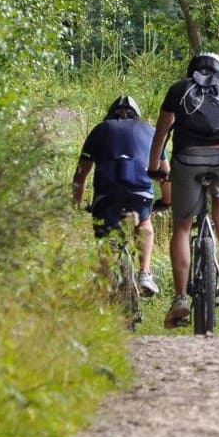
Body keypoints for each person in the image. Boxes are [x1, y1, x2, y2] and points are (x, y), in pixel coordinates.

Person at [148, 51, 219, 328]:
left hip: (187, 159)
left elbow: (161, 133)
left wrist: (154, 166)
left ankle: (181, 297)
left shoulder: (179, 89)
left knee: (183, 225)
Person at [72, 95, 160, 298]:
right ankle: (145, 273)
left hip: (107, 195)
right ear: (137, 115)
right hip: (141, 193)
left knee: (105, 238)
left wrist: (77, 202)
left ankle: (106, 282)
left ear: (109, 115)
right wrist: (167, 200)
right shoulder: (149, 130)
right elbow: (165, 172)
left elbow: (81, 173)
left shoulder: (100, 130)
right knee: (144, 221)